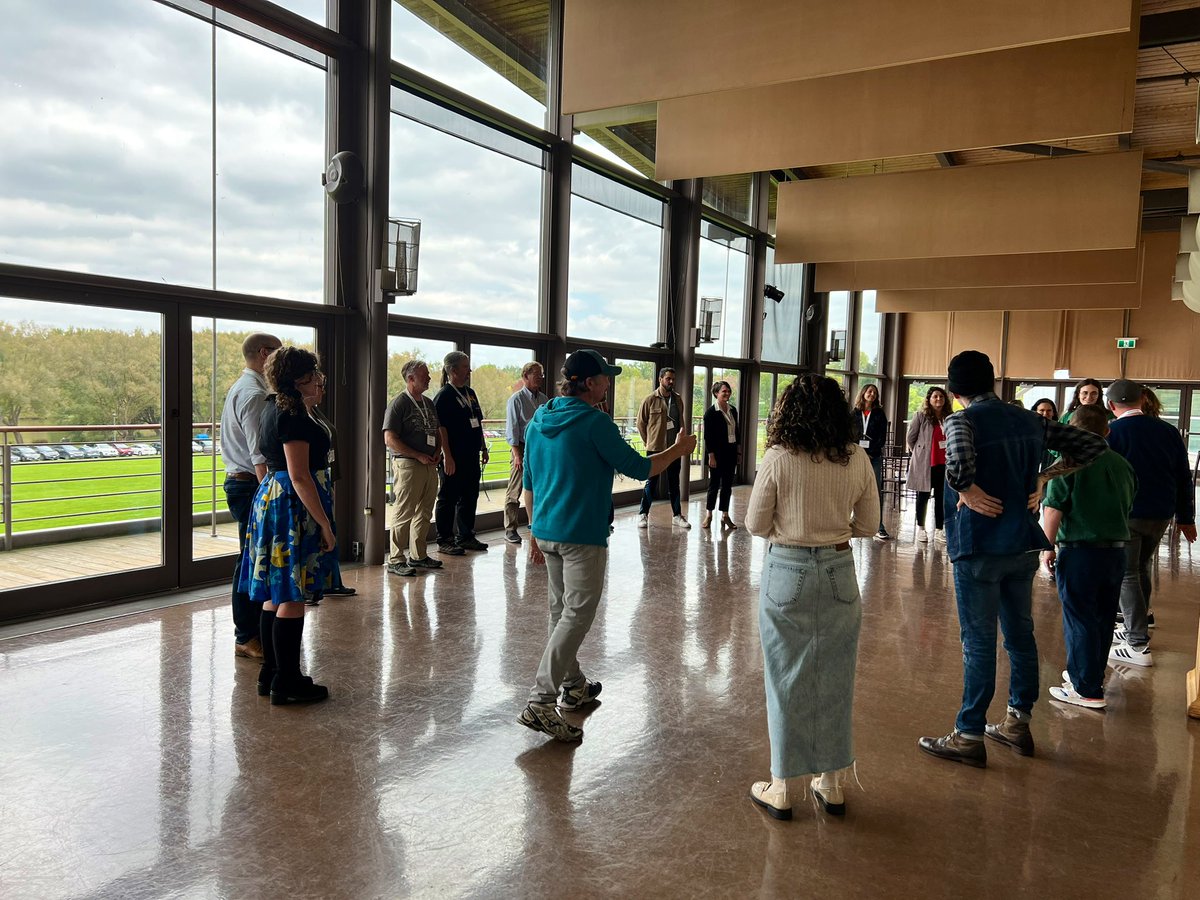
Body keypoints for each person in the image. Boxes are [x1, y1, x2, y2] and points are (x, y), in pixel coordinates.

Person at [918, 350, 1107, 767]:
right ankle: (1017, 723)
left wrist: (964, 488)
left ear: (953, 390)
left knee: (979, 642)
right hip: (1022, 544)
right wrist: (1043, 477)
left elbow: (961, 465)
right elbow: (1093, 445)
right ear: (993, 381)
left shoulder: (960, 419)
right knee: (1020, 637)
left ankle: (968, 734)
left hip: (978, 547)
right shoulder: (1029, 419)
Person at [518, 350, 696, 742]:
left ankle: (574, 684)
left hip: (546, 531)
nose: (609, 383)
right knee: (576, 614)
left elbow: (528, 485)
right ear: (587, 383)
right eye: (604, 378)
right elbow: (642, 468)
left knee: (559, 611)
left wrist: (533, 531)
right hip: (581, 534)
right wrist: (679, 451)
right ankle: (541, 700)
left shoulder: (537, 422)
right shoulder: (595, 423)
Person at [745, 375, 879, 819]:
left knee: (784, 678)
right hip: (840, 570)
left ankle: (782, 787)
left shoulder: (778, 459)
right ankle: (833, 783)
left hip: (787, 568)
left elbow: (754, 524)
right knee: (837, 677)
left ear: (789, 411)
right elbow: (867, 526)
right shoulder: (856, 458)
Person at [238, 346, 335, 705]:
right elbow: (299, 475)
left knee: (272, 594)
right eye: (314, 375)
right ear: (301, 379)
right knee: (292, 593)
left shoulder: (270, 406)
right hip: (292, 505)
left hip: (272, 499)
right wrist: (324, 523)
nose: (319, 380)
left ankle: (271, 674)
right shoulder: (292, 414)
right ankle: (288, 681)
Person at [1040, 405, 1136, 709]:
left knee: (1079, 618)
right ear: (1107, 431)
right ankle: (1090, 676)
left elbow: (1053, 509)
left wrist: (1046, 548)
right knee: (1103, 618)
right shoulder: (1123, 465)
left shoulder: (1068, 465)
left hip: (1080, 552)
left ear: (1071, 430)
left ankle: (1085, 688)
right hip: (1116, 552)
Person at [1105, 379, 1197, 666]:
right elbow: (1184, 476)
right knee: (1140, 567)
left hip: (1127, 513)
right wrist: (1186, 517)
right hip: (1161, 514)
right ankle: (1138, 624)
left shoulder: (1111, 432)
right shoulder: (1168, 432)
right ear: (1143, 399)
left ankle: (1137, 643)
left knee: (1126, 573)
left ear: (1110, 405)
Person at [220, 331, 282, 659]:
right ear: (263, 354)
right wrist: (269, 497)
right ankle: (246, 635)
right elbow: (259, 455)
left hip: (244, 483)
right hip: (249, 485)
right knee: (250, 561)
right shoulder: (254, 394)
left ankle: (252, 630)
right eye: (278, 353)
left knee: (252, 559)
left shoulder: (245, 388)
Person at [382, 360, 443, 577]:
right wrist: (416, 454)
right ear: (410, 379)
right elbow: (389, 439)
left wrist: (438, 451)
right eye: (424, 375)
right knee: (404, 511)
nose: (429, 378)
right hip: (408, 464)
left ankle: (418, 555)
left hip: (429, 463)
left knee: (425, 511)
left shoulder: (428, 402)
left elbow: (437, 430)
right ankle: (396, 559)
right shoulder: (399, 404)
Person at [433, 351, 489, 555]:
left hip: (471, 455)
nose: (469, 371)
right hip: (453, 457)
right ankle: (445, 539)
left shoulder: (470, 393)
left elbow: (477, 422)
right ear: (453, 370)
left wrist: (483, 447)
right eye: (465, 367)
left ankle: (465, 536)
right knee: (448, 497)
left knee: (469, 496)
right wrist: (447, 455)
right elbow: (441, 428)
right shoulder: (444, 396)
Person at [307, 372, 355, 602]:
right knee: (314, 534)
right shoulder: (299, 416)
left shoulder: (315, 412)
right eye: (319, 386)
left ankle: (329, 582)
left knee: (328, 532)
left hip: (324, 480)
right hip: (310, 482)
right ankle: (310, 586)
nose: (322, 391)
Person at [637, 366, 690, 529]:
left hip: (674, 448)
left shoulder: (677, 399)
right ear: (660, 379)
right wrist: (649, 442)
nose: (671, 382)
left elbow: (681, 422)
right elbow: (641, 423)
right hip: (656, 448)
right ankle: (643, 514)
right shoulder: (650, 399)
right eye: (668, 379)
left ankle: (677, 515)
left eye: (673, 379)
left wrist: (681, 443)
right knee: (651, 482)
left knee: (674, 482)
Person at [503, 362, 547, 544]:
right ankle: (510, 529)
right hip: (521, 447)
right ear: (525, 376)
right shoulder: (516, 399)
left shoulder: (544, 399)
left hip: (540, 447)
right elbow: (512, 428)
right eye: (536, 374)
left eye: (541, 374)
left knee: (539, 488)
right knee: (515, 489)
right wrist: (517, 454)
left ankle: (537, 524)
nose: (540, 377)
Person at [906, 386, 950, 544]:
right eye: (935, 397)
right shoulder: (921, 416)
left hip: (943, 463)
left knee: (941, 497)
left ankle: (939, 529)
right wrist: (919, 453)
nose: (938, 399)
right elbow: (911, 438)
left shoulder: (949, 417)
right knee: (923, 496)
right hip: (926, 463)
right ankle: (921, 529)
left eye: (941, 397)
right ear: (929, 399)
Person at [852, 383, 890, 540]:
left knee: (876, 490)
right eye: (869, 391)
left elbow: (882, 437)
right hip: (856, 457)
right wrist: (860, 453)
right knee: (852, 489)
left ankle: (879, 526)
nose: (872, 394)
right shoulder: (854, 414)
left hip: (874, 457)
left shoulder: (879, 414)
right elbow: (850, 435)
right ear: (863, 393)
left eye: (874, 392)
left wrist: (870, 453)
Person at [702, 380, 740, 530]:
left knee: (727, 486)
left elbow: (737, 432)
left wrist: (739, 451)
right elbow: (708, 436)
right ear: (716, 393)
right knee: (714, 485)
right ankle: (709, 515)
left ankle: (725, 515)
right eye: (724, 391)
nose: (727, 393)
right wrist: (711, 455)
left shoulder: (733, 410)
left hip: (730, 452)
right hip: (716, 454)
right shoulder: (711, 413)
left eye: (728, 391)